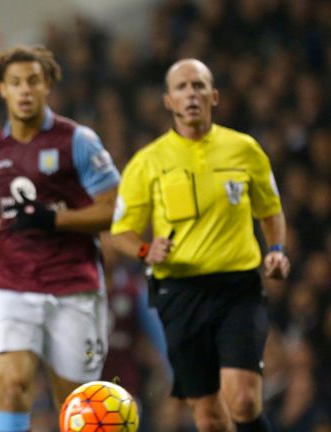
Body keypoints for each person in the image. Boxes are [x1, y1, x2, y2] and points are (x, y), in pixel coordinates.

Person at [0, 45, 120, 432]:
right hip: (13, 283)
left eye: (33, 81)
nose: (24, 90)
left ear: (48, 85)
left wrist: (54, 220)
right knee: (14, 383)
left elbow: (113, 211)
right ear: (1, 89)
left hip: (74, 285)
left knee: (76, 402)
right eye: (15, 82)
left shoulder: (78, 141)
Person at [109, 58, 290, 432]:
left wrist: (275, 251)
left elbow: (270, 211)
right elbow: (120, 231)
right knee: (208, 417)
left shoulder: (244, 150)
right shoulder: (148, 162)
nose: (191, 94)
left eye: (198, 86)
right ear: (168, 101)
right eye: (181, 88)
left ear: (215, 96)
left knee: (242, 398)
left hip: (237, 288)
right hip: (180, 294)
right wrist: (146, 250)